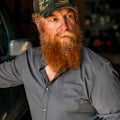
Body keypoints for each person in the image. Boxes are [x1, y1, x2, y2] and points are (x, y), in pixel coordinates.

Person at [0, 0, 120, 119]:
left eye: (69, 16)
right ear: (39, 25)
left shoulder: (97, 70)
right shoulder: (28, 61)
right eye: (54, 19)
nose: (65, 26)